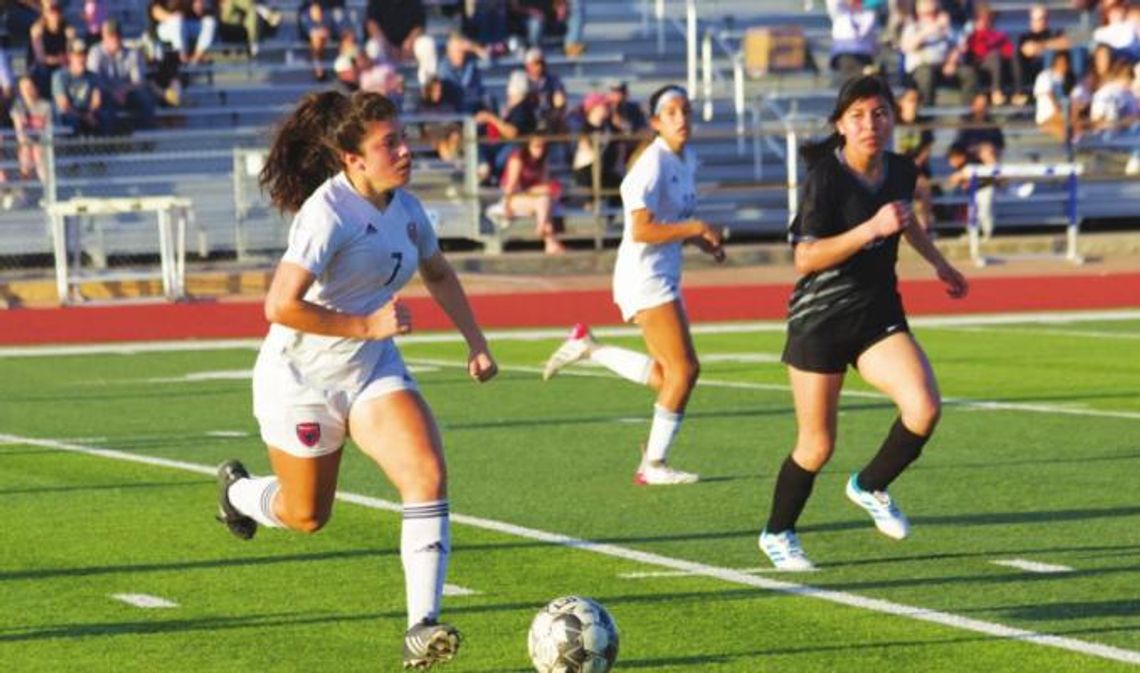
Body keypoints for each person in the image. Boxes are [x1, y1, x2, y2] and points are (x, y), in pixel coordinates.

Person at [214, 90, 498, 669]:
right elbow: (278, 306)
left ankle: (423, 627)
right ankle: (238, 493)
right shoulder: (328, 213)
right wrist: (365, 323)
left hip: (370, 370)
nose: (404, 150)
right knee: (307, 516)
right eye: (387, 143)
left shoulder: (408, 209)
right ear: (353, 160)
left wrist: (476, 341)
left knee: (426, 473)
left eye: (402, 136)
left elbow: (439, 273)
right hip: (301, 381)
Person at [756, 75, 968, 570]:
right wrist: (869, 229)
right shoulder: (824, 179)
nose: (871, 124)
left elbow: (905, 217)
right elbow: (804, 258)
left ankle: (870, 485)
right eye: (858, 116)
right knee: (817, 444)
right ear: (841, 125)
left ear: (893, 119)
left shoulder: (900, 168)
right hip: (820, 319)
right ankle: (777, 533)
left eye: (880, 113)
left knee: (924, 407)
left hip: (876, 314)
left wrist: (938, 262)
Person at [541, 85, 726, 485]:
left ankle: (590, 347)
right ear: (656, 122)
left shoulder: (684, 158)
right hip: (644, 276)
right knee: (685, 370)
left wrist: (700, 241)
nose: (681, 118)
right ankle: (653, 465)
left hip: (660, 274)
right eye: (672, 112)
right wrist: (694, 227)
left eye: (686, 111)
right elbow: (641, 228)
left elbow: (670, 221)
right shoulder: (652, 163)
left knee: (668, 377)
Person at [490, 129, 566, 253]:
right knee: (544, 201)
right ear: (528, 146)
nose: (540, 150)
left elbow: (544, 183)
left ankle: (548, 239)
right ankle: (546, 235)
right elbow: (511, 185)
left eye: (542, 147)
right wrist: (507, 205)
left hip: (533, 196)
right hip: (515, 196)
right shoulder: (517, 158)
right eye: (536, 146)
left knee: (544, 200)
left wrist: (542, 190)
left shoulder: (542, 161)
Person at [87, 19, 156, 131]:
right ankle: (109, 142)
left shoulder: (133, 53)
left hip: (126, 93)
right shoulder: (96, 52)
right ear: (103, 36)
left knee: (145, 99)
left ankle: (146, 139)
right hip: (106, 93)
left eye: (117, 35)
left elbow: (138, 81)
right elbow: (94, 80)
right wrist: (113, 91)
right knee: (101, 102)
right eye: (111, 35)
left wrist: (123, 90)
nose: (114, 38)